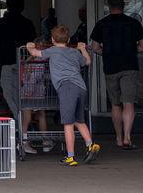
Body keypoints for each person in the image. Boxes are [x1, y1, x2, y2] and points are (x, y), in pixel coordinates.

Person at [27, 26, 100, 164]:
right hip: (81, 87)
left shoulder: (52, 50)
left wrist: (29, 46)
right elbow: (87, 62)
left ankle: (70, 156)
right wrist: (82, 48)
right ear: (69, 39)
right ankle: (90, 144)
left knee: (68, 123)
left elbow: (35, 53)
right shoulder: (74, 52)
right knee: (79, 121)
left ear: (53, 40)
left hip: (67, 88)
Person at [92, 0, 143, 150]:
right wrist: (131, 50)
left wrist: (108, 52)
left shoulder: (102, 24)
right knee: (128, 103)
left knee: (116, 104)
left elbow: (95, 47)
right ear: (123, 5)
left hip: (110, 67)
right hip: (129, 65)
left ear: (109, 6)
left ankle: (117, 137)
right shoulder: (133, 23)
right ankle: (127, 137)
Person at [0, 0, 36, 132]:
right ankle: (24, 122)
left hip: (7, 64)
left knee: (9, 94)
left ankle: (20, 121)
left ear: (8, 6)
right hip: (25, 64)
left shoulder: (1, 23)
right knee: (22, 95)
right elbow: (33, 41)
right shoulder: (27, 23)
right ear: (22, 7)